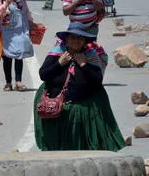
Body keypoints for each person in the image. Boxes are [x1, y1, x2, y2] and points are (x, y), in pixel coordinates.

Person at [34, 22, 124, 151]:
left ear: (84, 41)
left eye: (80, 38)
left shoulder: (90, 55)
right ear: (66, 39)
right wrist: (59, 63)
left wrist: (83, 64)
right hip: (56, 102)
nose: (76, 41)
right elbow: (43, 74)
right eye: (72, 37)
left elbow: (97, 80)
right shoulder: (57, 53)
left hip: (83, 103)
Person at [0, 0, 36, 92]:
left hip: (20, 31)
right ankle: (8, 82)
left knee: (19, 55)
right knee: (7, 57)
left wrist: (31, 22)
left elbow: (26, 11)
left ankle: (18, 81)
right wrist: (6, 3)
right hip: (5, 33)